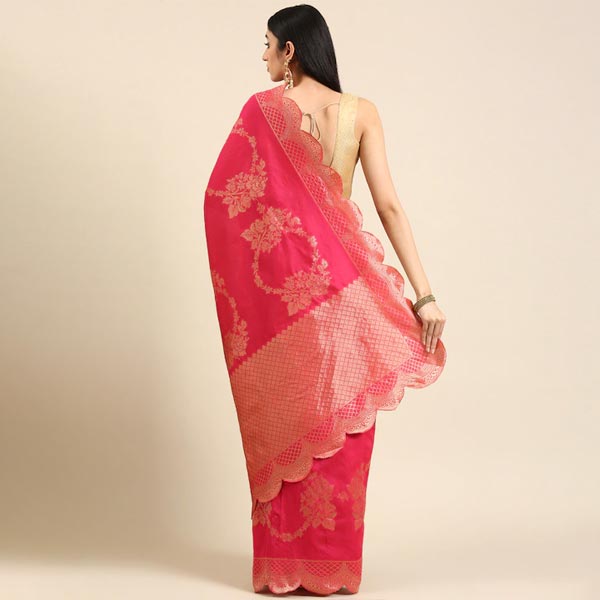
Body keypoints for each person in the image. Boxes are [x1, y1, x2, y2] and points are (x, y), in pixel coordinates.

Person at [204, 5, 447, 595]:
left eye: (267, 44)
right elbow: (388, 206)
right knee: (346, 436)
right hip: (349, 302)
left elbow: (221, 200)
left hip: (287, 306)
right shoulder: (361, 112)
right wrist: (424, 295)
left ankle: (284, 570)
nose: (262, 56)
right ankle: (333, 572)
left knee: (289, 426)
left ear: (290, 51)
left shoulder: (262, 112)